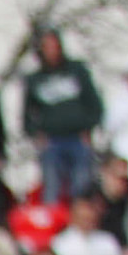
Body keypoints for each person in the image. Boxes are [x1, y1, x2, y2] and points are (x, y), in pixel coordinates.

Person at [22, 29, 104, 206]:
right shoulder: (35, 79)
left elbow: (95, 104)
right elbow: (26, 116)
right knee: (52, 186)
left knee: (82, 186)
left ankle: (80, 218)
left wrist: (89, 128)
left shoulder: (77, 71)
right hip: (52, 142)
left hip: (78, 139)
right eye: (48, 47)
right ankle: (53, 218)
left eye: (55, 46)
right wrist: (36, 134)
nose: (52, 51)